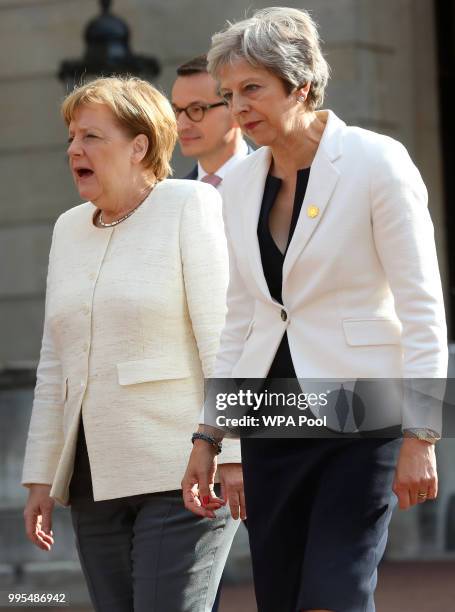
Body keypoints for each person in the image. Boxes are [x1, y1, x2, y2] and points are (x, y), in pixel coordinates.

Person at [182, 7, 448, 612]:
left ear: (300, 84)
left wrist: (422, 432)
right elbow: (242, 317)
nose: (239, 106)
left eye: (253, 88)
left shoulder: (377, 161)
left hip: (362, 411)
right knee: (282, 596)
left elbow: (421, 303)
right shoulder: (241, 184)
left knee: (335, 592)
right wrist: (209, 436)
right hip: (269, 416)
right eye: (229, 94)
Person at [21, 76, 243, 612]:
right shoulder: (68, 228)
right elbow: (56, 364)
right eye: (72, 137)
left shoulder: (189, 204)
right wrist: (40, 479)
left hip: (185, 467)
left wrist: (233, 452)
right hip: (93, 480)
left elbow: (224, 337)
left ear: (139, 146)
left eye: (92, 136)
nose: (75, 148)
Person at [172, 54, 253, 187]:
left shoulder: (270, 182)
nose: (181, 126)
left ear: (235, 107)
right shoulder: (174, 197)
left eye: (196, 109)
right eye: (176, 110)